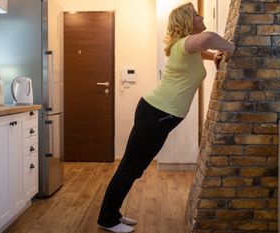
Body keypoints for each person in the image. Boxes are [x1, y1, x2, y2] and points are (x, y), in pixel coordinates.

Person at [97, 2, 235, 233]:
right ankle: (108, 219)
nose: (201, 17)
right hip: (156, 114)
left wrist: (214, 57)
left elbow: (204, 50)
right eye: (196, 15)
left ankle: (113, 213)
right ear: (186, 22)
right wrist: (233, 47)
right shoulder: (185, 44)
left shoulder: (185, 48)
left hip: (157, 113)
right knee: (130, 168)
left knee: (134, 168)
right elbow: (209, 37)